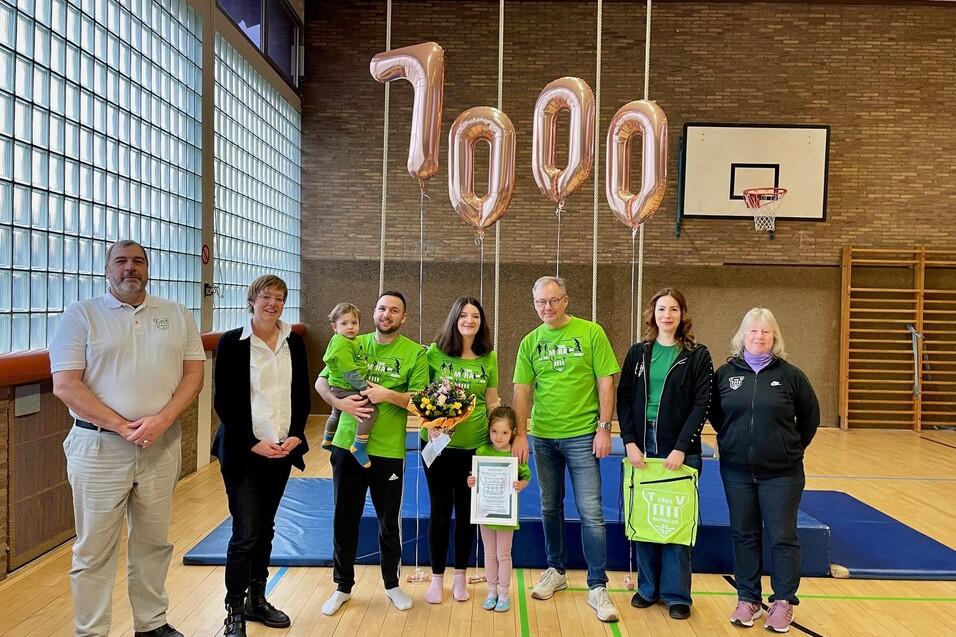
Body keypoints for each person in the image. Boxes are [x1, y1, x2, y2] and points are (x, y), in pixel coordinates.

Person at [50, 240, 205, 637]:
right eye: (121, 261)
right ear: (107, 269)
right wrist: (123, 426)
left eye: (138, 261)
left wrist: (163, 420)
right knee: (93, 550)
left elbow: (193, 376)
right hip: (99, 447)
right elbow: (66, 385)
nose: (129, 268)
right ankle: (91, 631)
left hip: (160, 445)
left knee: (154, 543)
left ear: (147, 269)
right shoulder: (80, 315)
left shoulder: (177, 313)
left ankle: (151, 624)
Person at [512, 275, 621, 623]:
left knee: (591, 511)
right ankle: (556, 569)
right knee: (549, 506)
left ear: (566, 300)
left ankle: (597, 585)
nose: (547, 307)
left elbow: (606, 381)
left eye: (553, 300)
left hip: (582, 436)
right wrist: (520, 433)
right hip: (543, 437)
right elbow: (521, 390)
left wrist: (604, 428)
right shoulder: (530, 342)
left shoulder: (591, 333)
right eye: (540, 302)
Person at [314, 291, 429, 616]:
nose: (386, 314)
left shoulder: (414, 353)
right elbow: (322, 383)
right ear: (373, 312)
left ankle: (392, 585)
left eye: (394, 310)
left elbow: (419, 400)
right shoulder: (351, 339)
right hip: (347, 445)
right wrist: (341, 403)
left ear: (403, 317)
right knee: (344, 518)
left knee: (388, 522)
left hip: (388, 451)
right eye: (381, 308)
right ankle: (343, 587)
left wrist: (387, 394)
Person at [211, 275, 310, 637]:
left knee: (265, 529)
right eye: (266, 296)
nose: (273, 303)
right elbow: (224, 402)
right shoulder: (232, 343)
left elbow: (300, 394)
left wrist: (297, 434)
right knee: (246, 532)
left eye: (279, 298)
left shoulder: (294, 342)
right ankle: (233, 609)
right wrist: (253, 442)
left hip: (281, 450)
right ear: (251, 299)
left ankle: (257, 599)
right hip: (244, 451)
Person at [710, 308, 820, 633]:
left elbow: (810, 418)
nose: (759, 337)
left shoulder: (791, 376)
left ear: (775, 337)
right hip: (736, 472)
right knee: (744, 534)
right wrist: (733, 442)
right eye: (753, 331)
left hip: (782, 473)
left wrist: (790, 448)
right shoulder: (725, 374)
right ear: (742, 336)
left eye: (766, 332)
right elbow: (717, 414)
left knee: (782, 536)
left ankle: (784, 602)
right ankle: (748, 598)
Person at [617, 288, 713, 621]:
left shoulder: (697, 355)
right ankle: (647, 588)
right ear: (653, 314)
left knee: (674, 520)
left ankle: (676, 594)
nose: (667, 315)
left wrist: (682, 447)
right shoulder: (638, 353)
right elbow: (624, 398)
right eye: (661, 309)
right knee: (646, 519)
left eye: (673, 309)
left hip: (679, 448)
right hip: (643, 444)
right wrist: (629, 440)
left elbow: (703, 403)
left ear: (682, 314)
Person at [420, 297, 499, 604]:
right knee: (439, 512)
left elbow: (491, 399)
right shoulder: (434, 353)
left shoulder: (488, 357)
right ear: (454, 318)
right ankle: (437, 577)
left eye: (475, 315)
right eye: (464, 315)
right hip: (438, 447)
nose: (469, 320)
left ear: (481, 321)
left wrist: (503, 432)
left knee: (467, 514)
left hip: (474, 447)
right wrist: (430, 424)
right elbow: (421, 394)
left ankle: (460, 577)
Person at [467, 406, 530, 613]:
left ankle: (504, 593)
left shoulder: (515, 454)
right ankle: (491, 591)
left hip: (505, 514)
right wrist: (472, 480)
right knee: (489, 554)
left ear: (512, 432)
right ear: (489, 431)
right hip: (486, 512)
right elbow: (475, 477)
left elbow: (526, 477)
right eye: (494, 431)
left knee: (503, 554)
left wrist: (521, 485)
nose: (499, 436)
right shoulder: (482, 452)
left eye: (504, 432)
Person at [322, 302, 377, 467]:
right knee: (370, 411)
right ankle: (359, 446)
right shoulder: (342, 343)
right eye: (344, 323)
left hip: (339, 386)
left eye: (354, 323)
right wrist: (365, 389)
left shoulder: (350, 340)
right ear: (334, 327)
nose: (350, 327)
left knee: (336, 413)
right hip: (345, 387)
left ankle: (327, 439)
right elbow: (350, 373)